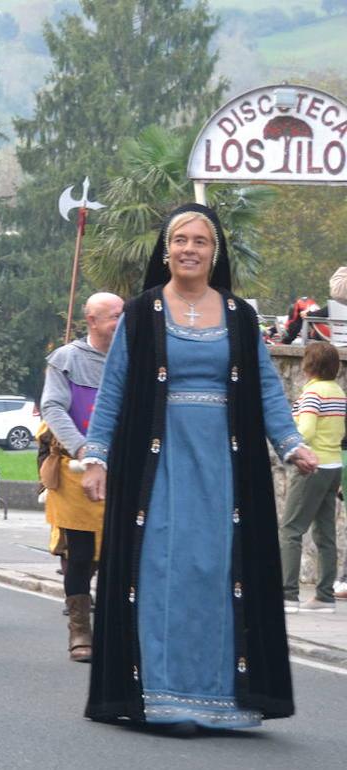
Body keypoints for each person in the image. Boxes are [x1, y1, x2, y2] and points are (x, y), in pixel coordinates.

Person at [81, 203, 317, 730]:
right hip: (156, 467)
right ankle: (160, 695)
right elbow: (114, 388)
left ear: (215, 253)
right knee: (161, 569)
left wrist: (291, 444)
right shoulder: (142, 312)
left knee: (216, 572)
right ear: (166, 250)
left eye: (200, 241)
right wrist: (96, 456)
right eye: (180, 240)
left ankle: (219, 700)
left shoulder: (239, 315)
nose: (189, 249)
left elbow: (267, 389)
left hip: (225, 467)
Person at [39, 292, 123, 662]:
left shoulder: (135, 359)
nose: (122, 323)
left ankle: (113, 627)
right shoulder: (66, 359)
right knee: (82, 554)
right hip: (75, 472)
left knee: (118, 555)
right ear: (92, 320)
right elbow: (53, 407)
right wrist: (82, 448)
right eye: (115, 317)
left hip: (122, 470)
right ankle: (80, 630)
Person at [279, 340, 344, 614]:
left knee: (291, 530)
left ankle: (287, 594)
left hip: (311, 466)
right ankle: (324, 595)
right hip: (333, 468)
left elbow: (304, 431)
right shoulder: (339, 392)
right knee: (325, 532)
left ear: (308, 365)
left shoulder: (312, 394)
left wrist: (286, 432)